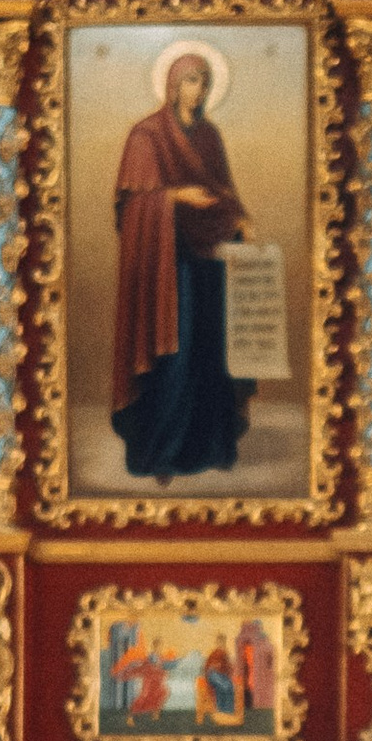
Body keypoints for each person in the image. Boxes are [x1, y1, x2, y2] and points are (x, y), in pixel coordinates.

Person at [111, 50, 253, 484]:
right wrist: (174, 198)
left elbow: (222, 191)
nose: (199, 89)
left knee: (211, 349)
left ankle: (209, 447)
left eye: (205, 81)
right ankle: (161, 451)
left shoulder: (209, 135)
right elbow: (132, 204)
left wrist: (237, 216)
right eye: (192, 80)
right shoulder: (146, 136)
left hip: (210, 259)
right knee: (176, 348)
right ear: (173, 85)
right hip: (167, 265)